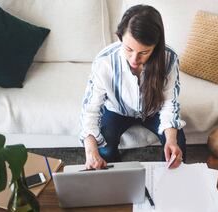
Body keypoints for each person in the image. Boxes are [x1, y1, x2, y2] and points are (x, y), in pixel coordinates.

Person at [79, 5, 186, 170]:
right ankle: (116, 179)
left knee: (178, 145)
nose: (134, 59)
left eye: (144, 52)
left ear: (156, 46)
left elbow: (169, 103)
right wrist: (90, 151)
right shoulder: (104, 62)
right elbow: (90, 109)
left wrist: (171, 141)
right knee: (104, 148)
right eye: (129, 49)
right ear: (120, 37)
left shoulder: (169, 59)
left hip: (153, 110)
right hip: (117, 111)